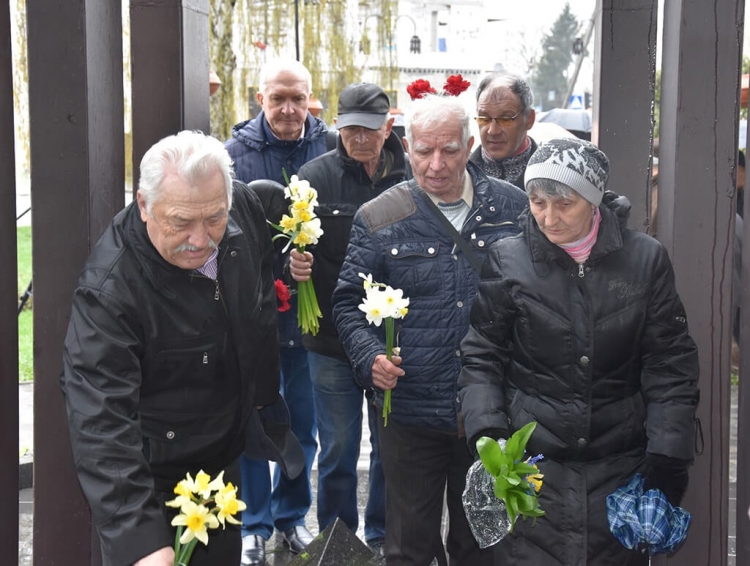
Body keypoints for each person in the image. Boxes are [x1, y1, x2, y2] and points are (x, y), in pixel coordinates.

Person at [458, 138, 700, 565]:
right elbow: (482, 355)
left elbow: (670, 365)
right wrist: (489, 434)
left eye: (563, 204)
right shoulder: (509, 259)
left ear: (593, 201)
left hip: (620, 470)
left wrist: (667, 457)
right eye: (536, 202)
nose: (548, 218)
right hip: (532, 468)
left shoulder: (644, 260)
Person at [60, 131, 283, 566]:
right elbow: (100, 419)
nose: (201, 240)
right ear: (144, 205)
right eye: (180, 222)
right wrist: (141, 542)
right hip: (151, 477)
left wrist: (262, 396)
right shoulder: (109, 292)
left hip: (220, 461)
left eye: (215, 218)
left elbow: (257, 297)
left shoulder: (242, 207)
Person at [331, 94, 528, 565]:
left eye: (450, 150)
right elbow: (347, 303)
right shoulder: (379, 217)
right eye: (424, 151)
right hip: (411, 410)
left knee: (483, 544)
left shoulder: (514, 209)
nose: (436, 165)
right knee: (409, 546)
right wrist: (368, 358)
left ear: (470, 145)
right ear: (406, 145)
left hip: (490, 412)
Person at [289, 82, 411, 558]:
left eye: (369, 129)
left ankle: (381, 534)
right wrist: (292, 267)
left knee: (390, 446)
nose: (359, 138)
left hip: (390, 339)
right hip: (331, 342)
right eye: (350, 128)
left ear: (389, 127)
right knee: (338, 448)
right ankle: (337, 541)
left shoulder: (410, 177)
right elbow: (294, 251)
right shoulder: (313, 175)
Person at [225, 58, 327, 564]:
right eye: (277, 98)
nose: (289, 109)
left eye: (298, 98)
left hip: (307, 319)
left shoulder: (328, 149)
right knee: (253, 423)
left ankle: (291, 518)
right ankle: (253, 523)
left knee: (304, 424)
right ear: (260, 98)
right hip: (254, 317)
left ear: (311, 98)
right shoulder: (234, 156)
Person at [469, 73, 537, 190]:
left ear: (529, 119)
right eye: (484, 119)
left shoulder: (552, 175)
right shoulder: (460, 175)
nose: (493, 131)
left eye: (505, 119)